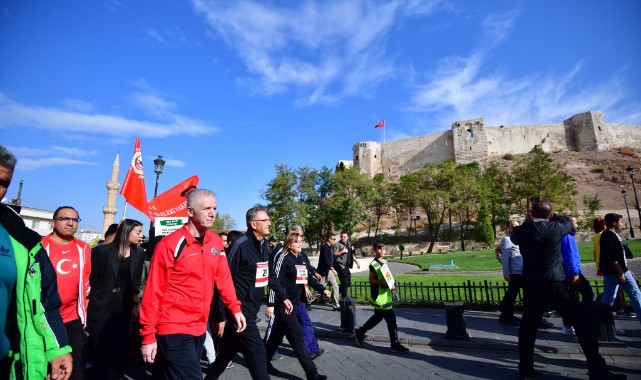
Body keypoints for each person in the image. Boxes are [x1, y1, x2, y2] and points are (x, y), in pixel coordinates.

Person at [510, 201, 625, 380]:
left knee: (528, 329)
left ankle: (525, 368)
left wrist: (529, 219)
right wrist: (553, 215)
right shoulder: (556, 228)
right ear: (550, 215)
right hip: (556, 282)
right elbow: (568, 223)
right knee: (582, 324)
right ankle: (597, 369)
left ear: (532, 214)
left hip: (532, 284)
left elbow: (515, 234)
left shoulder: (523, 231)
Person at [140, 190, 245, 380]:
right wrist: (148, 335)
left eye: (214, 208)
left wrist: (235, 308)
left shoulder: (215, 242)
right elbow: (153, 292)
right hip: (173, 327)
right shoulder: (169, 244)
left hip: (200, 327)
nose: (212, 213)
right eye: (206, 208)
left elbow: (223, 278)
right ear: (189, 211)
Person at [0, 144, 73, 380]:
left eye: (3, 183)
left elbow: (44, 301)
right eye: (65, 218)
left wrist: (58, 348)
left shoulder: (21, 239)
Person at [207, 206, 274, 380]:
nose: (269, 223)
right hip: (240, 311)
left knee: (224, 356)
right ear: (253, 224)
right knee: (259, 355)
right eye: (265, 220)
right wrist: (220, 315)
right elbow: (222, 280)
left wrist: (281, 297)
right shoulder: (240, 245)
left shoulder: (264, 246)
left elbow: (268, 275)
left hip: (252, 308)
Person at [264, 232, 329, 379]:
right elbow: (275, 282)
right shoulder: (283, 258)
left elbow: (306, 278)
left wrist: (322, 289)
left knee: (275, 337)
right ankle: (312, 374)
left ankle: (263, 363)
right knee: (297, 338)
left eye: (301, 241)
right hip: (284, 305)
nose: (300, 244)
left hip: (295, 303)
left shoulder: (299, 258)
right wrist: (271, 304)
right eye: (297, 242)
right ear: (289, 244)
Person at [87, 219, 144, 379]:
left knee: (119, 346)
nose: (141, 236)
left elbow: (136, 283)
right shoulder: (103, 252)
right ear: (127, 232)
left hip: (123, 307)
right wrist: (87, 303)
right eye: (138, 232)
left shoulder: (138, 255)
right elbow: (91, 279)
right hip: (102, 305)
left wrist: (134, 305)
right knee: (101, 348)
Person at [42, 206, 92, 380]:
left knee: (73, 368)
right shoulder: (40, 245)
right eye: (65, 219)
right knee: (45, 368)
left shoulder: (83, 248)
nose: (70, 223)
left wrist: (82, 312)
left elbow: (85, 283)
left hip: (72, 320)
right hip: (44, 320)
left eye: (75, 220)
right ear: (53, 222)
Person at [353, 240, 409, 354]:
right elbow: (371, 280)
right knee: (391, 320)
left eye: (383, 248)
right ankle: (394, 344)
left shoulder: (384, 262)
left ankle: (360, 332)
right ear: (374, 250)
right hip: (380, 296)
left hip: (386, 295)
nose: (382, 250)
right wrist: (383, 283)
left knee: (377, 317)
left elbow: (387, 276)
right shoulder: (373, 264)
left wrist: (391, 284)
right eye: (379, 248)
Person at [599, 213, 641, 325]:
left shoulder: (607, 235)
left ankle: (604, 325)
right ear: (614, 223)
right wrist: (621, 272)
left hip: (610, 272)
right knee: (636, 294)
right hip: (616, 272)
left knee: (608, 298)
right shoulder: (609, 236)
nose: (622, 224)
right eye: (621, 222)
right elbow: (613, 257)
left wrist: (625, 268)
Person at [559, 216, 594, 336]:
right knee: (588, 294)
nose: (577, 225)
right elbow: (569, 256)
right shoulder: (567, 237)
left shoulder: (566, 236)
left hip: (570, 273)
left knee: (571, 299)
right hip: (572, 273)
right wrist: (575, 273)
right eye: (576, 223)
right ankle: (580, 319)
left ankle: (568, 323)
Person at [498, 220, 523, 326]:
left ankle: (506, 312)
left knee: (512, 293)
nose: (515, 228)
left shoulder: (520, 239)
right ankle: (506, 315)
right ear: (508, 228)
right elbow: (505, 258)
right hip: (514, 272)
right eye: (512, 226)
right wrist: (506, 273)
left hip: (522, 271)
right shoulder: (507, 240)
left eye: (517, 226)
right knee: (512, 294)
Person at [333, 231, 360, 298]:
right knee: (344, 282)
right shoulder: (337, 244)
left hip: (346, 266)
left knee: (348, 283)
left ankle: (334, 294)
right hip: (340, 265)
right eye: (341, 237)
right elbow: (334, 254)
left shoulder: (349, 244)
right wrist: (342, 251)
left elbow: (352, 254)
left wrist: (357, 262)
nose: (343, 238)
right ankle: (344, 299)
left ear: (347, 237)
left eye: (344, 237)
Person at [317, 232, 340, 311]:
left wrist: (334, 268)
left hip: (330, 271)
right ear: (329, 239)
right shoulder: (324, 247)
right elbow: (326, 260)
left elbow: (332, 259)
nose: (334, 241)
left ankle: (336, 305)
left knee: (335, 287)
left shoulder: (331, 248)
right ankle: (308, 300)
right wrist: (333, 269)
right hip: (324, 271)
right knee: (320, 288)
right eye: (333, 239)